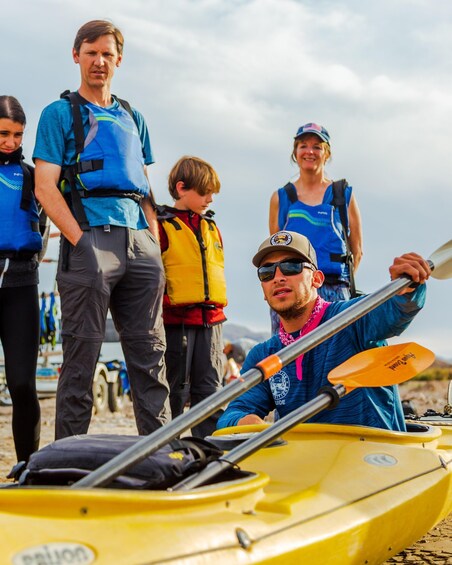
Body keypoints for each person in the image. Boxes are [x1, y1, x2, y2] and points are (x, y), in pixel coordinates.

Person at [33, 20, 170, 439]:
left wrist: (153, 244)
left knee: (151, 359)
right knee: (81, 358)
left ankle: (162, 455)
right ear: (77, 55)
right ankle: (68, 465)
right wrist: (81, 242)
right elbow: (44, 186)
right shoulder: (59, 114)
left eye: (107, 54)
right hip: (90, 238)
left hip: (140, 245)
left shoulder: (134, 116)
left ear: (119, 61)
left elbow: (145, 187)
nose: (99, 61)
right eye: (91, 52)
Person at [217, 230, 430, 432]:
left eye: (291, 266)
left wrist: (407, 287)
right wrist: (245, 421)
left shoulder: (352, 317)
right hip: (310, 463)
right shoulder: (264, 355)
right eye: (267, 272)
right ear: (264, 290)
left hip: (374, 458)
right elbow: (231, 415)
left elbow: (396, 310)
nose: (278, 277)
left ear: (317, 279)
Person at [268, 123, 363, 333]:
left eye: (317, 146)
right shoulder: (281, 198)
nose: (309, 151)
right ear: (295, 152)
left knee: (337, 358)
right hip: (292, 292)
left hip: (334, 291)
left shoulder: (342, 194)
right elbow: (274, 253)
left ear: (326, 153)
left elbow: (357, 250)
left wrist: (339, 287)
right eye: (303, 145)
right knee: (288, 358)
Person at [157, 156, 226, 437]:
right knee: (174, 390)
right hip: (176, 323)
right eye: (205, 191)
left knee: (210, 391)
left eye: (213, 193)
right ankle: (167, 448)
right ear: (182, 187)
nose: (210, 198)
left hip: (211, 322)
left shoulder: (211, 227)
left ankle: (207, 451)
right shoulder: (160, 225)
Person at [0, 95, 48, 463]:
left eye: (17, 135)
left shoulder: (34, 176)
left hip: (21, 285)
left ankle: (25, 466)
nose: (11, 142)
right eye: (4, 133)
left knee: (21, 384)